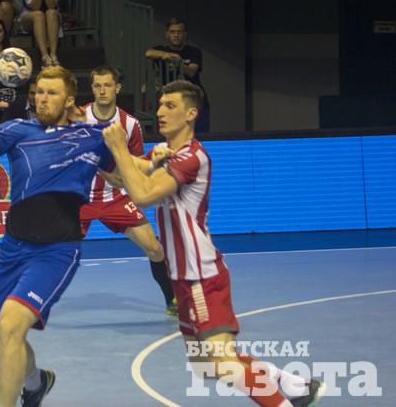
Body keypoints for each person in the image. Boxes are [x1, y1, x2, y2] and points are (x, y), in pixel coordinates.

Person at [102, 79, 325, 407]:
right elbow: (127, 172)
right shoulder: (166, 154)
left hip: (200, 275)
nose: (160, 111)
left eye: (170, 106)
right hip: (182, 278)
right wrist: (94, 149)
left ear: (191, 114)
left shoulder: (191, 157)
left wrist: (120, 148)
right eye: (160, 105)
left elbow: (143, 193)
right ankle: (295, 385)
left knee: (222, 363)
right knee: (204, 365)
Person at [0, 66, 115, 407]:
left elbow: (126, 175)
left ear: (69, 99)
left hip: (56, 251)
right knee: (3, 339)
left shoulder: (94, 137)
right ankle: (36, 383)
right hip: (14, 248)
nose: (42, 98)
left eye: (51, 93)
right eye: (39, 91)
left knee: (11, 328)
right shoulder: (17, 130)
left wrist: (158, 161)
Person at [78, 66, 175, 314]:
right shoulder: (78, 118)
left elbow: (135, 164)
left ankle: (172, 301)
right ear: (92, 88)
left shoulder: (130, 124)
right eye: (97, 85)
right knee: (54, 252)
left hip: (116, 198)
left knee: (155, 248)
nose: (102, 91)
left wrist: (124, 180)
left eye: (107, 85)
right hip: (79, 199)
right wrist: (103, 170)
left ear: (117, 88)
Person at [145, 18, 210, 133]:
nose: (176, 35)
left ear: (185, 34)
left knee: (200, 132)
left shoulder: (193, 51)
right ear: (167, 34)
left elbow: (192, 71)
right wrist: (167, 55)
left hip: (192, 96)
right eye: (172, 32)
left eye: (179, 32)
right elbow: (148, 53)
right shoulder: (162, 49)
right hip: (169, 98)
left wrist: (178, 63)